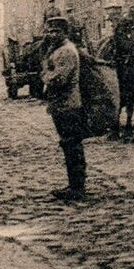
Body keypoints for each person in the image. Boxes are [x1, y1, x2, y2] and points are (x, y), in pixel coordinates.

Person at [41, 16, 89, 201]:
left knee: (72, 145)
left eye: (57, 31)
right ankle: (74, 184)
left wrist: (45, 76)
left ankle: (77, 187)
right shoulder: (57, 50)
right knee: (68, 145)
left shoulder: (67, 51)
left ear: (65, 33)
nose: (53, 35)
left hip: (68, 105)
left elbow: (59, 79)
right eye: (50, 31)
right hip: (61, 105)